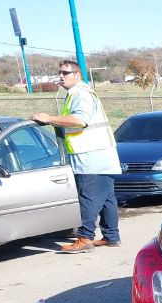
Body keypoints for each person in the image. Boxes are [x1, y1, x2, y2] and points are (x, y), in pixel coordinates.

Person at [32, 60, 121, 253]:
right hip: (100, 156)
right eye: (60, 73)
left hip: (91, 157)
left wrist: (49, 119)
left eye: (66, 72)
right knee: (107, 199)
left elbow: (80, 120)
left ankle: (85, 238)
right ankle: (111, 236)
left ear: (77, 75)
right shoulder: (77, 94)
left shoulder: (81, 94)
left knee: (88, 198)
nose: (61, 76)